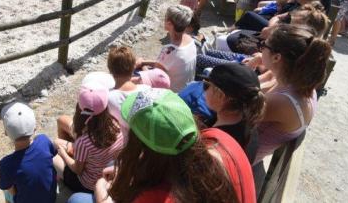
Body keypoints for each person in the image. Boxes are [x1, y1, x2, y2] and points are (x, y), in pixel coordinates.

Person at [93, 89, 256, 203]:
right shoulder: (220, 139)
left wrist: (102, 194)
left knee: (78, 199)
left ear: (141, 145)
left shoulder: (155, 198)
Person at [255, 24, 331, 164]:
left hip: (238, 156)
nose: (260, 48)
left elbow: (229, 111)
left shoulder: (282, 102)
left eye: (264, 45)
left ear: (277, 58)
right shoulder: (296, 81)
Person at [54, 82, 123, 194]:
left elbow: (77, 170)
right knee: (59, 133)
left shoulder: (84, 142)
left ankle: (63, 180)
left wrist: (63, 154)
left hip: (88, 185)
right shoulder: (116, 124)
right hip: (108, 171)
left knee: (55, 158)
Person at [203, 64, 264, 162]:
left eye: (206, 86)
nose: (204, 90)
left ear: (221, 96)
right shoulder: (248, 123)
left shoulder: (213, 146)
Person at [0, 102, 57, 203]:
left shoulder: (6, 164)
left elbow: (12, 191)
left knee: (6, 189)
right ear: (35, 127)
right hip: (50, 199)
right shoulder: (44, 141)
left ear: (6, 133)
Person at [136, 5, 197, 91]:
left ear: (169, 23)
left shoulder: (169, 50)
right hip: (185, 89)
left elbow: (154, 78)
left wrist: (142, 66)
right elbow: (167, 64)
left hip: (172, 94)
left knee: (133, 75)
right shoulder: (190, 40)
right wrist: (143, 62)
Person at [105, 46, 152, 141]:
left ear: (110, 69)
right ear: (133, 67)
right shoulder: (147, 90)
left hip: (124, 143)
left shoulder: (107, 97)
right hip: (147, 139)